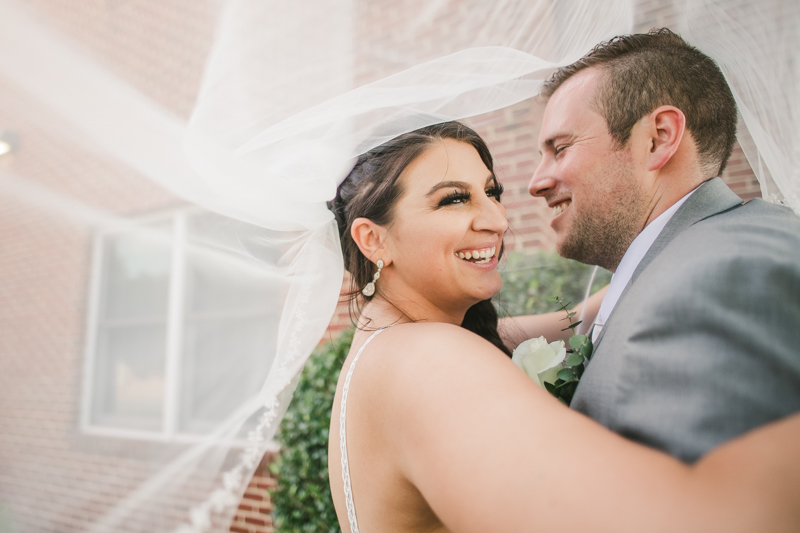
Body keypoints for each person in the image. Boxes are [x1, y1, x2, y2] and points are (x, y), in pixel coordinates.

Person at [326, 121, 800, 533]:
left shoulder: (390, 346)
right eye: (454, 199)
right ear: (373, 239)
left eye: (492, 192)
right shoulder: (428, 361)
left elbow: (581, 317)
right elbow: (682, 519)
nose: (498, 220)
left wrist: (676, 233)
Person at [525, 28, 800, 462]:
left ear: (658, 137)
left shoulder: (719, 283)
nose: (535, 183)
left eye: (559, 149)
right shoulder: (688, 257)